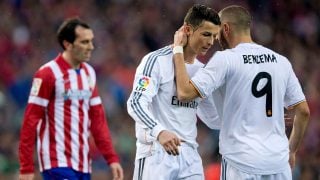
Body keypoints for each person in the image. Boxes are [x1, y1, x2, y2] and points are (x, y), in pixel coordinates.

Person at [173, 5, 310, 180]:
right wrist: (291, 151)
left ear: (226, 28)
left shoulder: (226, 59)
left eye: (217, 32)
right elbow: (303, 111)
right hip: (278, 164)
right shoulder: (281, 62)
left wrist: (178, 49)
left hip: (241, 163)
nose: (215, 38)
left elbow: (184, 93)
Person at [18, 18, 124, 180]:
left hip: (82, 164)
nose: (91, 47)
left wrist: (111, 158)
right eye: (84, 42)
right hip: (56, 162)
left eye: (91, 41)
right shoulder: (47, 73)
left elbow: (98, 120)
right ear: (67, 44)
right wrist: (26, 166)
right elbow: (30, 120)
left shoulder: (89, 73)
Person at [127, 4, 221, 180]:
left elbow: (214, 119)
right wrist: (159, 131)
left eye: (214, 36)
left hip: (190, 156)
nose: (210, 42)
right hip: (156, 153)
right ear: (187, 30)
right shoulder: (155, 61)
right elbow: (135, 103)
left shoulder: (203, 72)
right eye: (206, 34)